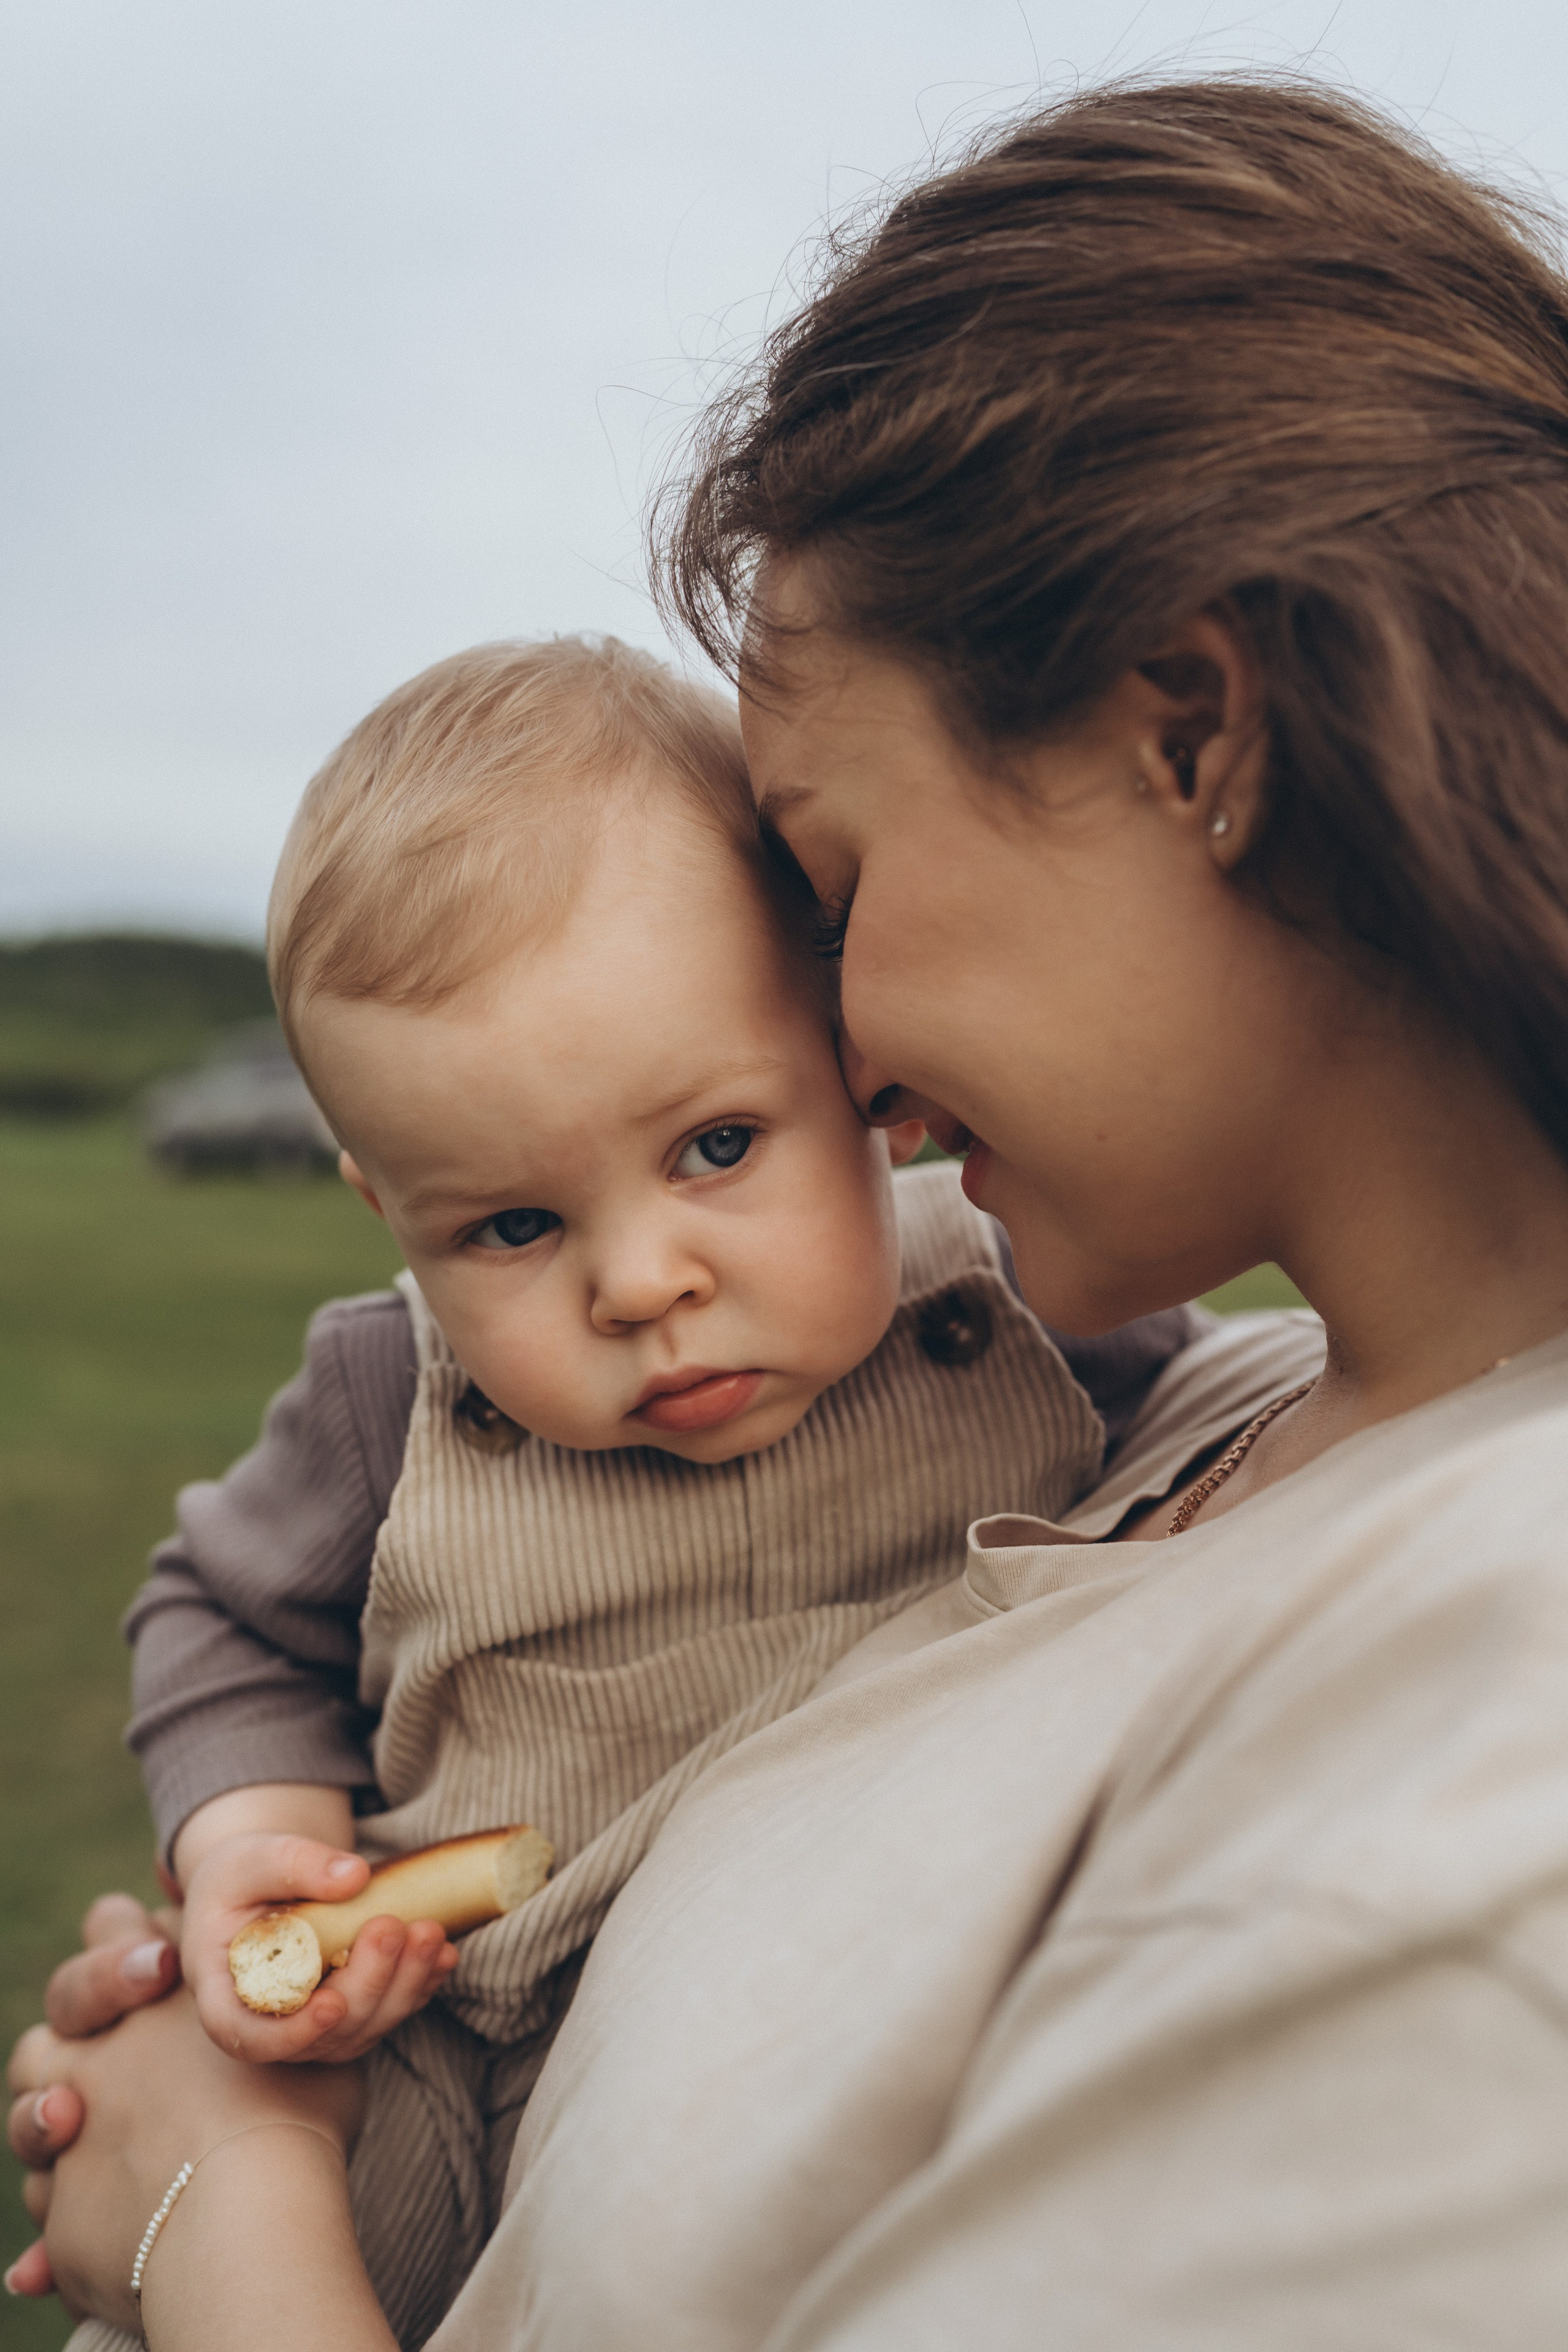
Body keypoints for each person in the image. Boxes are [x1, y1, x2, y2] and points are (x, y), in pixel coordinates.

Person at [13, 72, 1568, 2350]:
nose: (832, 1058)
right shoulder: (1203, 1421)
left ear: (1194, 739)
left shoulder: (1484, 1780)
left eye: (833, 885)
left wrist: (222, 2234)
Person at [31, 633, 1215, 2349]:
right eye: (510, 1226)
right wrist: (260, 1847)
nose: (641, 1283)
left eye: (718, 1146)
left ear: (856, 1070)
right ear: (388, 1208)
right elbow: (216, 1614)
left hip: (811, 2043)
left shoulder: (1021, 1305)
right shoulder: (389, 1396)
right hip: (453, 2030)